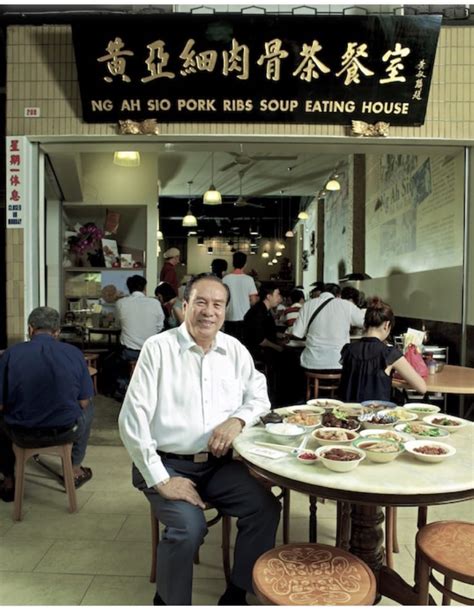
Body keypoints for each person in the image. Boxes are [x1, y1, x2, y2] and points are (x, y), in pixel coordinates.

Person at [118, 273, 281, 606]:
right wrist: (162, 479)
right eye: (201, 302)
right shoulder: (158, 349)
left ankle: (237, 591)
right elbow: (131, 420)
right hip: (167, 463)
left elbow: (259, 397)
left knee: (265, 508)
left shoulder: (234, 350)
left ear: (224, 310)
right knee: (189, 528)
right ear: (185, 305)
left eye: (217, 304)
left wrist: (237, 420)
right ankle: (169, 602)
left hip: (218, 465)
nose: (209, 311)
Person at [0, 307, 94, 502]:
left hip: (20, 433)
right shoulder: (74, 354)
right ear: (57, 331)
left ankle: (9, 479)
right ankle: (75, 469)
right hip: (65, 430)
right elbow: (83, 401)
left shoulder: (10, 354)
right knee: (89, 406)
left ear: (30, 329)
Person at [338, 297, 427, 402]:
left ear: (365, 324)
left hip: (348, 414)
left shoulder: (348, 350)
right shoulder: (389, 354)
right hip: (377, 416)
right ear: (387, 325)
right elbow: (422, 388)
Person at [292, 283, 365, 371]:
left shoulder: (307, 305)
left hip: (311, 363)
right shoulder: (346, 305)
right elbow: (365, 321)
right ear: (339, 295)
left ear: (321, 293)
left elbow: (296, 333)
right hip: (338, 363)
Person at [116, 275, 165, 361]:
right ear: (144, 288)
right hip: (150, 352)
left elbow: (118, 325)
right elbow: (159, 326)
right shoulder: (155, 303)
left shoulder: (121, 303)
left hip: (129, 352)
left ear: (129, 288)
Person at [223, 251, 258, 342]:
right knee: (243, 347)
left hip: (229, 318)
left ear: (233, 263)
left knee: (229, 346)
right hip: (245, 319)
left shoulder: (225, 279)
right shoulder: (249, 279)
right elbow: (254, 301)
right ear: (245, 264)